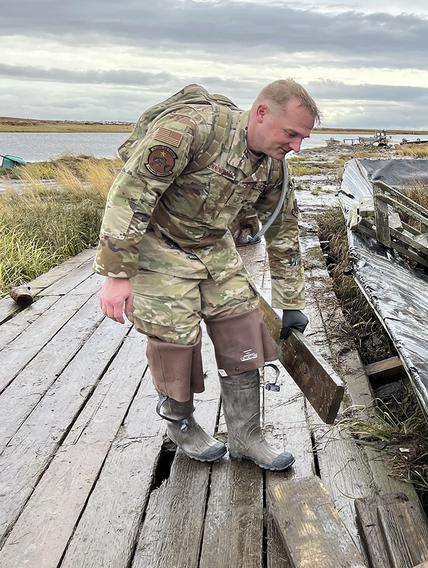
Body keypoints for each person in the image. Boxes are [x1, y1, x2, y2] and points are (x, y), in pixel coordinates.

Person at [94, 79, 319, 470]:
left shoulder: (273, 166)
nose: (296, 147)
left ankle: (246, 435)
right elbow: (131, 194)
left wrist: (291, 301)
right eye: (291, 134)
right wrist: (116, 275)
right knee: (175, 339)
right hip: (158, 248)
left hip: (213, 249)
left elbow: (284, 228)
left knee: (243, 328)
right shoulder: (190, 129)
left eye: (303, 138)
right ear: (261, 113)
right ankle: (180, 423)